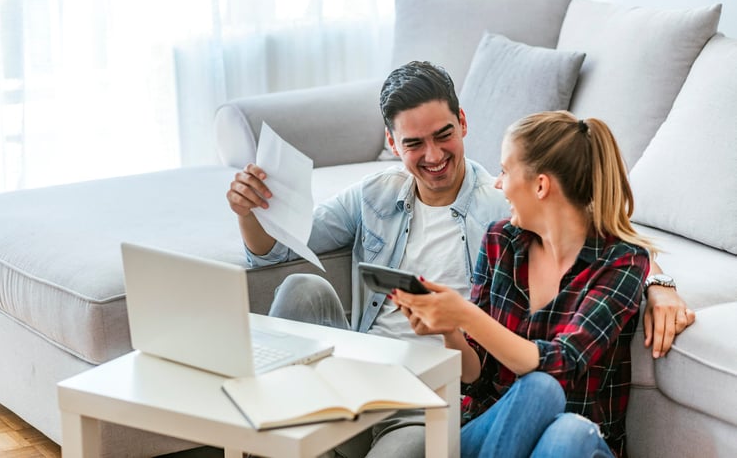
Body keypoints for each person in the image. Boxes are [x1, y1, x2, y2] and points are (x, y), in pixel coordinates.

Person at [226, 62, 692, 457]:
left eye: (443, 135)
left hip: (431, 403)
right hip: (374, 376)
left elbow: (611, 242)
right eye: (413, 144)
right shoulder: (490, 234)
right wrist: (250, 212)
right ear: (392, 143)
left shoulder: (503, 215)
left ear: (463, 123)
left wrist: (660, 282)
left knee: (549, 400)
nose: (432, 155)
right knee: (301, 289)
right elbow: (280, 246)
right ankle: (268, 435)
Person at [393, 111, 659, 457]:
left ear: (540, 185)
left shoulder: (620, 262)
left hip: (571, 445)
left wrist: (467, 315)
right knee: (539, 391)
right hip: (490, 432)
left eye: (505, 171)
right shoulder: (500, 241)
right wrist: (449, 331)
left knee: (563, 421)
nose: (498, 183)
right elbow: (477, 376)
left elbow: (563, 362)